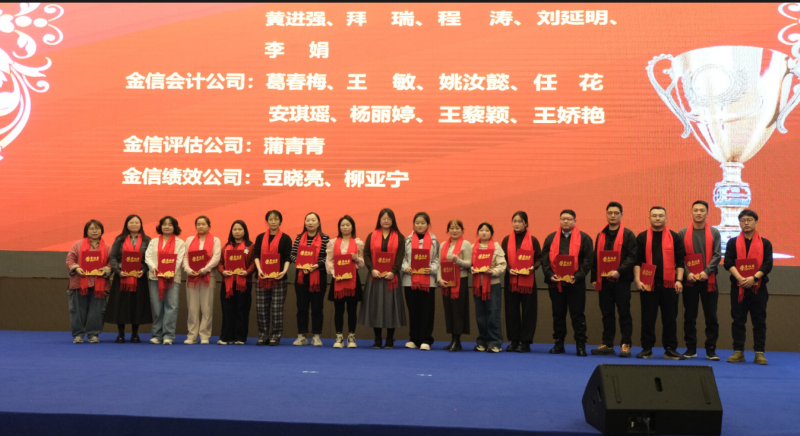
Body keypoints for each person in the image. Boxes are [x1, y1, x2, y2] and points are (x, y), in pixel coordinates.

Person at [634, 206, 686, 360]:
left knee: (670, 318)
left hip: (669, 284)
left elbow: (680, 261)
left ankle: (670, 349)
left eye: (660, 215)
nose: (657, 218)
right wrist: (637, 280)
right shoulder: (642, 237)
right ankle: (647, 349)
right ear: (649, 218)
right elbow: (637, 261)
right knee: (647, 318)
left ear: (666, 218)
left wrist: (679, 280)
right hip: (647, 283)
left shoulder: (674, 237)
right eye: (654, 215)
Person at [541, 209, 593, 356]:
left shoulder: (584, 238)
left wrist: (577, 276)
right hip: (556, 283)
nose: (565, 221)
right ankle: (559, 343)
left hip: (576, 283)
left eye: (569, 219)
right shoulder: (551, 238)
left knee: (577, 314)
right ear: (559, 220)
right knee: (558, 314)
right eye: (563, 218)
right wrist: (550, 274)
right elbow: (545, 259)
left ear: (575, 221)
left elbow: (588, 261)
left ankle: (580, 344)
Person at [724, 209, 773, 365]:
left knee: (759, 321)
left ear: (756, 222)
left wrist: (754, 278)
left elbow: (767, 264)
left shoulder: (765, 243)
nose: (746, 223)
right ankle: (738, 352)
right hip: (738, 288)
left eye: (749, 220)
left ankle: (759, 353)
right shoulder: (732, 242)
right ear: (739, 223)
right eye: (743, 220)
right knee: (738, 320)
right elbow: (728, 262)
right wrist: (740, 278)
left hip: (758, 288)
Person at [590, 202, 638, 358]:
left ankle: (626, 344)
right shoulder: (600, 235)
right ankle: (607, 344)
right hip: (604, 282)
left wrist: (619, 271)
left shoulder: (628, 234)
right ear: (606, 214)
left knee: (624, 313)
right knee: (607, 314)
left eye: (616, 213)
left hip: (622, 281)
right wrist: (594, 278)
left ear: (621, 215)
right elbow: (596, 258)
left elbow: (632, 257)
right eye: (610, 213)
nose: (612, 215)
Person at [678, 201, 721, 360]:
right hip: (689, 281)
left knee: (711, 317)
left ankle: (711, 350)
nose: (698, 213)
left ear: (707, 214)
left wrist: (706, 271)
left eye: (702, 210)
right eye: (695, 210)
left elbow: (717, 255)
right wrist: (687, 273)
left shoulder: (714, 232)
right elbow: (679, 256)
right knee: (689, 316)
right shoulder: (682, 233)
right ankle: (691, 349)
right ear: (691, 213)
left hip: (708, 281)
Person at [359, 208, 406, 349]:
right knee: (376, 306)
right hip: (375, 276)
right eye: (383, 218)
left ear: (393, 220)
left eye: (389, 218)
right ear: (379, 220)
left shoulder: (399, 237)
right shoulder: (372, 235)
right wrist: (372, 269)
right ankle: (377, 339)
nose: (386, 221)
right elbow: (366, 254)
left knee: (391, 307)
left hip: (392, 278)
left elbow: (400, 256)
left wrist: (393, 271)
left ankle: (390, 339)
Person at [105, 214, 152, 343]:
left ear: (141, 225)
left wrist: (143, 270)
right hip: (122, 277)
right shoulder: (119, 239)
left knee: (137, 305)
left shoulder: (147, 240)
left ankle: (135, 334)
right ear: (126, 224)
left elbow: (149, 258)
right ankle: (121, 334)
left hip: (139, 277)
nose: (134, 224)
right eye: (131, 222)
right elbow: (113, 257)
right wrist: (118, 271)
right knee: (121, 306)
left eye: (137, 222)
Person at [500, 211, 543, 353]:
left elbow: (539, 258)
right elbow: (502, 259)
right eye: (514, 221)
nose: (517, 224)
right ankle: (514, 340)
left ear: (526, 223)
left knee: (528, 311)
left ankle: (525, 342)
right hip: (511, 280)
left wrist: (533, 267)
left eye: (520, 221)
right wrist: (508, 269)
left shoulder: (533, 240)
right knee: (511, 311)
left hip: (528, 281)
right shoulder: (506, 240)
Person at [66, 220, 112, 343]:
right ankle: (78, 335)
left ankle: (93, 335)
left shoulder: (107, 247)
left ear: (102, 231)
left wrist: (106, 269)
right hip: (79, 283)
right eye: (91, 228)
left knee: (97, 311)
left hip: (99, 284)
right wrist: (76, 268)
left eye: (97, 228)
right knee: (77, 311)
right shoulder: (78, 245)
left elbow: (111, 263)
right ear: (86, 231)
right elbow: (70, 260)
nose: (94, 231)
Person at [253, 210, 293, 346]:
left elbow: (288, 257)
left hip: (279, 278)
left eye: (276, 219)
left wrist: (284, 271)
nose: (273, 222)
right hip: (262, 278)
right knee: (261, 309)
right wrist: (259, 270)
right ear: (267, 221)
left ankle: (275, 336)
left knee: (277, 310)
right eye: (270, 219)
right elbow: (256, 255)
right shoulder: (260, 237)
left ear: (280, 221)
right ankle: (263, 335)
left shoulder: (286, 238)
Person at [402, 212, 440, 351]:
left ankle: (426, 339)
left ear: (428, 225)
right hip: (410, 280)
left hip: (428, 281)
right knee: (413, 310)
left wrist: (432, 269)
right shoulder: (407, 240)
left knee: (427, 311)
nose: (419, 225)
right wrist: (406, 267)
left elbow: (437, 259)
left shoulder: (434, 241)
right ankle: (413, 339)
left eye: (423, 223)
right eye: (417, 223)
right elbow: (402, 258)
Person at [325, 215, 365, 349]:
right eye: (342, 225)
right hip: (337, 279)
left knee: (352, 310)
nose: (345, 227)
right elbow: (329, 261)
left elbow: (362, 264)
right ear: (339, 227)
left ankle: (351, 337)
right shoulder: (333, 242)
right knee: (338, 310)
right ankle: (339, 337)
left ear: (352, 227)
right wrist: (335, 273)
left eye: (348, 225)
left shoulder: (358, 243)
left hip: (352, 280)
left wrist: (356, 258)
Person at [144, 216, 185, 345]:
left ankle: (168, 335)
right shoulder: (154, 241)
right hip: (155, 277)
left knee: (171, 306)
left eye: (170, 224)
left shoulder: (180, 243)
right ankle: (157, 335)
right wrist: (153, 267)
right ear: (160, 227)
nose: (167, 226)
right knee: (157, 306)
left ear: (175, 227)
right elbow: (147, 256)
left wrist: (170, 272)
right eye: (164, 224)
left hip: (173, 278)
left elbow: (179, 260)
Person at [290, 212, 329, 346]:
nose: (310, 223)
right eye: (308, 220)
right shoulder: (299, 238)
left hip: (318, 277)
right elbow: (292, 254)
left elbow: (328, 257)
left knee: (317, 308)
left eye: (313, 220)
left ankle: (316, 336)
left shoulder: (325, 238)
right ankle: (301, 335)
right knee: (302, 307)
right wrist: (301, 265)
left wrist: (316, 265)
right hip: (302, 277)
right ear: (305, 223)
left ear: (318, 223)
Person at [182, 216, 221, 345]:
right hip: (192, 277)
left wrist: (204, 270)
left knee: (206, 307)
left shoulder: (215, 240)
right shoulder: (189, 240)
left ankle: (204, 335)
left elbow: (216, 258)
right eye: (198, 224)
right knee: (192, 308)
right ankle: (192, 335)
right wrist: (188, 270)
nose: (201, 226)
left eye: (203, 224)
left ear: (209, 226)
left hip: (208, 277)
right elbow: (185, 257)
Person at [436, 219, 472, 352]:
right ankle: (452, 339)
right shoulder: (443, 245)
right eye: (452, 228)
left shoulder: (466, 244)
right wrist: (439, 279)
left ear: (462, 230)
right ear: (448, 230)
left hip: (460, 281)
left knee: (458, 310)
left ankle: (457, 340)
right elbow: (439, 264)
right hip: (446, 282)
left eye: (457, 228)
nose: (454, 230)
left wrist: (458, 261)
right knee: (449, 310)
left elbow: (469, 264)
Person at [217, 220, 255, 345]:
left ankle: (240, 337)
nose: (237, 232)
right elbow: (220, 263)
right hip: (228, 283)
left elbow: (254, 263)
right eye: (235, 229)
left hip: (244, 283)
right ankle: (226, 337)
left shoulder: (250, 246)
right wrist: (222, 271)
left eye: (240, 229)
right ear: (231, 231)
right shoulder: (226, 247)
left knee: (241, 310)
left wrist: (247, 272)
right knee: (227, 310)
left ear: (245, 231)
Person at [471, 222, 507, 353]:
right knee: (480, 315)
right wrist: (471, 268)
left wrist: (493, 271)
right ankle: (482, 342)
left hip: (493, 285)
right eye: (481, 230)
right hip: (477, 286)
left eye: (487, 230)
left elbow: (502, 265)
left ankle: (495, 343)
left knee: (493, 314)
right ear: (478, 232)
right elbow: (469, 264)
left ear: (491, 233)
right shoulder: (472, 247)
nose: (484, 232)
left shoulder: (496, 247)